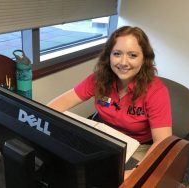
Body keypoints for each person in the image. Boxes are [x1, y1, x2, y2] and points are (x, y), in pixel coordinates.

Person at [47, 26, 172, 176]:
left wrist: (136, 172)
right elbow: (61, 103)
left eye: (132, 55)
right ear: (109, 56)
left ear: (144, 58)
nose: (123, 62)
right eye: (117, 54)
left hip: (139, 146)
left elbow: (162, 142)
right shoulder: (98, 79)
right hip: (104, 137)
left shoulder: (156, 92)